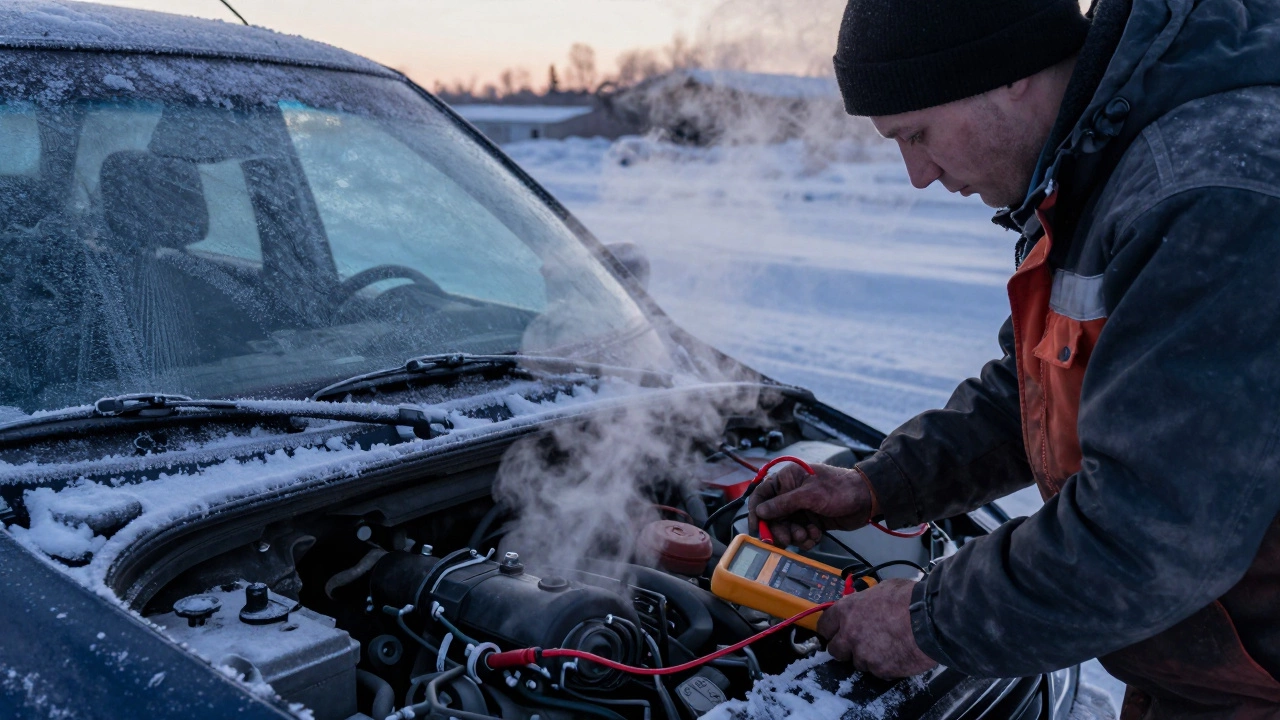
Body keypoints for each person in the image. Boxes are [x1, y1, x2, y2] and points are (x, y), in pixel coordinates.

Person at [747, 0, 1280, 716]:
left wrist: (928, 621)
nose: (917, 174)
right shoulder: (1096, 170)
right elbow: (1035, 385)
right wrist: (881, 484)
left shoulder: (1206, 196)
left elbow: (1152, 531)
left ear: (1007, 77)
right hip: (1203, 677)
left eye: (918, 133)